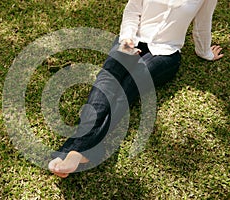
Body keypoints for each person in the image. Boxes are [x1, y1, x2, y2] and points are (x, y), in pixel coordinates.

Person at [48, 0, 224, 178]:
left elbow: (203, 23)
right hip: (132, 39)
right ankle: (82, 152)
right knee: (106, 80)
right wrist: (127, 40)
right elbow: (132, 10)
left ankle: (75, 152)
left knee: (127, 89)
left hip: (165, 53)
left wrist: (205, 52)